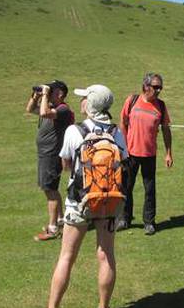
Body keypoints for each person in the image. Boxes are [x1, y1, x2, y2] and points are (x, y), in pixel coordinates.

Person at [48, 84, 127, 308]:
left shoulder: (74, 130)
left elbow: (66, 166)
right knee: (106, 255)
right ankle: (103, 306)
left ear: (90, 104)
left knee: (67, 257)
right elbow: (124, 162)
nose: (81, 101)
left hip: (78, 201)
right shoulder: (117, 133)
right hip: (109, 201)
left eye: (85, 98)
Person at [116, 72, 173, 235]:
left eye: (160, 87)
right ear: (146, 86)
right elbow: (123, 124)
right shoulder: (132, 101)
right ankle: (124, 219)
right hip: (130, 153)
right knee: (126, 187)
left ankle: (149, 222)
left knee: (150, 189)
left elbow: (166, 131)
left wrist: (168, 153)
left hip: (150, 154)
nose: (158, 90)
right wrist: (123, 148)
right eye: (155, 87)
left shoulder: (161, 106)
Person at [26, 80, 75, 241]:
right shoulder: (51, 107)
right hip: (45, 154)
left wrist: (45, 95)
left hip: (52, 155)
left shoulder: (63, 110)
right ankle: (60, 219)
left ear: (60, 94)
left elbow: (44, 113)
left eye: (52, 91)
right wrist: (36, 96)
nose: (49, 93)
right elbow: (30, 109)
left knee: (50, 190)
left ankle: (53, 228)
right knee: (50, 189)